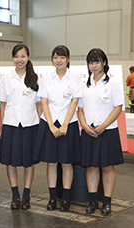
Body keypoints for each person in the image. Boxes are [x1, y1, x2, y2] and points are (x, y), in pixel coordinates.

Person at [33, 45, 80, 212]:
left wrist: (65, 124)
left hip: (69, 123)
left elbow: (74, 102)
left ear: (68, 59)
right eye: (55, 57)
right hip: (49, 124)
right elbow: (43, 102)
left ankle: (65, 199)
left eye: (62, 57)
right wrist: (51, 124)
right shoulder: (46, 79)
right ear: (52, 59)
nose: (59, 60)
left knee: (67, 163)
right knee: (51, 162)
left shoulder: (75, 78)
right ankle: (52, 199)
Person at [77, 48, 124, 216]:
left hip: (107, 131)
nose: (94, 65)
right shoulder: (84, 85)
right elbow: (80, 109)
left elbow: (118, 107)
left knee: (108, 167)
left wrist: (103, 126)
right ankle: (92, 202)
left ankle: (107, 202)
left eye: (97, 61)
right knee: (91, 167)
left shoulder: (112, 84)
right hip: (88, 131)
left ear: (104, 63)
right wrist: (84, 125)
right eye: (91, 62)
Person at [0, 44, 41, 210]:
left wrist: (38, 122)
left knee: (29, 162)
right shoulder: (6, 78)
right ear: (13, 58)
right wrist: (1, 125)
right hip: (11, 124)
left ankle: (26, 195)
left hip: (31, 125)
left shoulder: (35, 78)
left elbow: (39, 105)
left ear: (28, 57)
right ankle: (15, 195)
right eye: (16, 56)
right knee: (11, 161)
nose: (19, 60)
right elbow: (2, 104)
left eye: (22, 56)